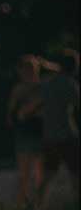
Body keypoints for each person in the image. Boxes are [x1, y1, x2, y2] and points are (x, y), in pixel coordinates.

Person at [38, 48, 80, 197]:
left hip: (49, 135)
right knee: (75, 173)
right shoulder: (70, 84)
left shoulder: (47, 83)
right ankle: (75, 208)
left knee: (48, 174)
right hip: (67, 135)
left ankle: (36, 206)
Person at [7, 54, 47, 206]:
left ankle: (37, 206)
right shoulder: (19, 89)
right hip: (25, 132)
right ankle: (23, 206)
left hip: (39, 132)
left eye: (32, 68)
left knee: (40, 174)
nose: (28, 72)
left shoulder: (44, 86)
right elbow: (10, 114)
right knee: (24, 174)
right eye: (26, 68)